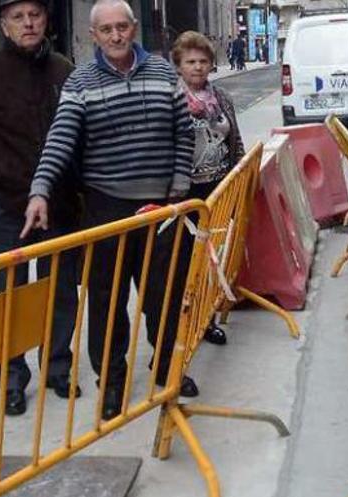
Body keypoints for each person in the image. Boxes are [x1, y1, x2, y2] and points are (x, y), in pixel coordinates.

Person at [23, 0, 197, 420]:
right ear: (94, 35)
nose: (116, 35)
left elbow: (183, 133)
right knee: (106, 300)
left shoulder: (162, 73)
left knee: (164, 296)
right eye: (106, 30)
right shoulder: (80, 83)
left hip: (161, 208)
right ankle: (112, 381)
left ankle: (166, 367)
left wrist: (177, 191)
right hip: (106, 207)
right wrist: (40, 190)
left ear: (134, 28)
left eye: (122, 27)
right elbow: (60, 139)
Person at [0, 0, 80, 416]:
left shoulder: (64, 70)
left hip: (58, 205)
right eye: (18, 18)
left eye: (35, 15)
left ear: (46, 20)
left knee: (59, 290)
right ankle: (10, 379)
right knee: (4, 294)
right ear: (4, 26)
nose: (28, 24)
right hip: (5, 207)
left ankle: (58, 367)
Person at [172, 30, 247, 346]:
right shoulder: (171, 99)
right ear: (178, 65)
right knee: (182, 265)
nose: (197, 67)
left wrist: (241, 175)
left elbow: (236, 141)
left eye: (203, 61)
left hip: (217, 190)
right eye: (190, 61)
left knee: (210, 261)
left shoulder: (222, 98)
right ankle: (180, 325)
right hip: (184, 195)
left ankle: (206, 321)